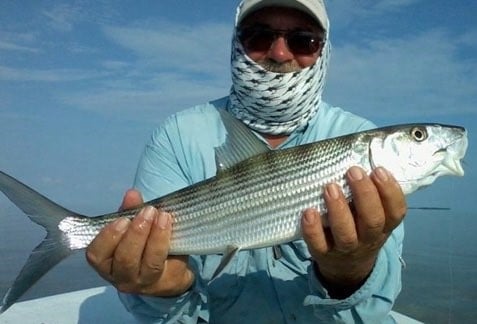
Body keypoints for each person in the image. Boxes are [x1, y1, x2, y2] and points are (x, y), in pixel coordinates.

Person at [86, 0, 407, 322]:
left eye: (303, 40)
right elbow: (164, 307)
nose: (280, 54)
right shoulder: (179, 135)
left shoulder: (359, 136)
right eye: (258, 36)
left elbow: (374, 309)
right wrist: (166, 286)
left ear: (324, 49)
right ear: (236, 43)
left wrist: (352, 269)